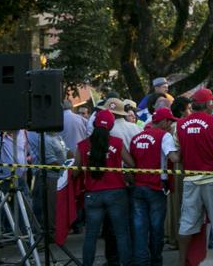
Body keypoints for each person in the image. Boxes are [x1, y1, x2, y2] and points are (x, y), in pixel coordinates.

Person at [176, 87, 213, 266]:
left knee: (187, 223)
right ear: (208, 103)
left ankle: (182, 260)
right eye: (212, 101)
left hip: (191, 179)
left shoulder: (180, 125)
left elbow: (177, 154)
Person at [75, 110, 134, 266]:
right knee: (121, 234)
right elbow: (132, 164)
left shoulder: (82, 145)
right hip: (116, 193)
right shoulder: (117, 143)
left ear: (94, 124)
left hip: (92, 195)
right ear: (111, 126)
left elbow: (75, 171)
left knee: (91, 236)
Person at [129, 107, 180, 266]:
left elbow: (130, 163)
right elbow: (174, 157)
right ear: (164, 121)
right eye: (170, 121)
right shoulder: (165, 136)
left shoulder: (136, 137)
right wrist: (184, 147)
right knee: (157, 227)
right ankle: (156, 261)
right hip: (156, 187)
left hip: (138, 186)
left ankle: (141, 261)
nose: (171, 124)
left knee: (139, 227)